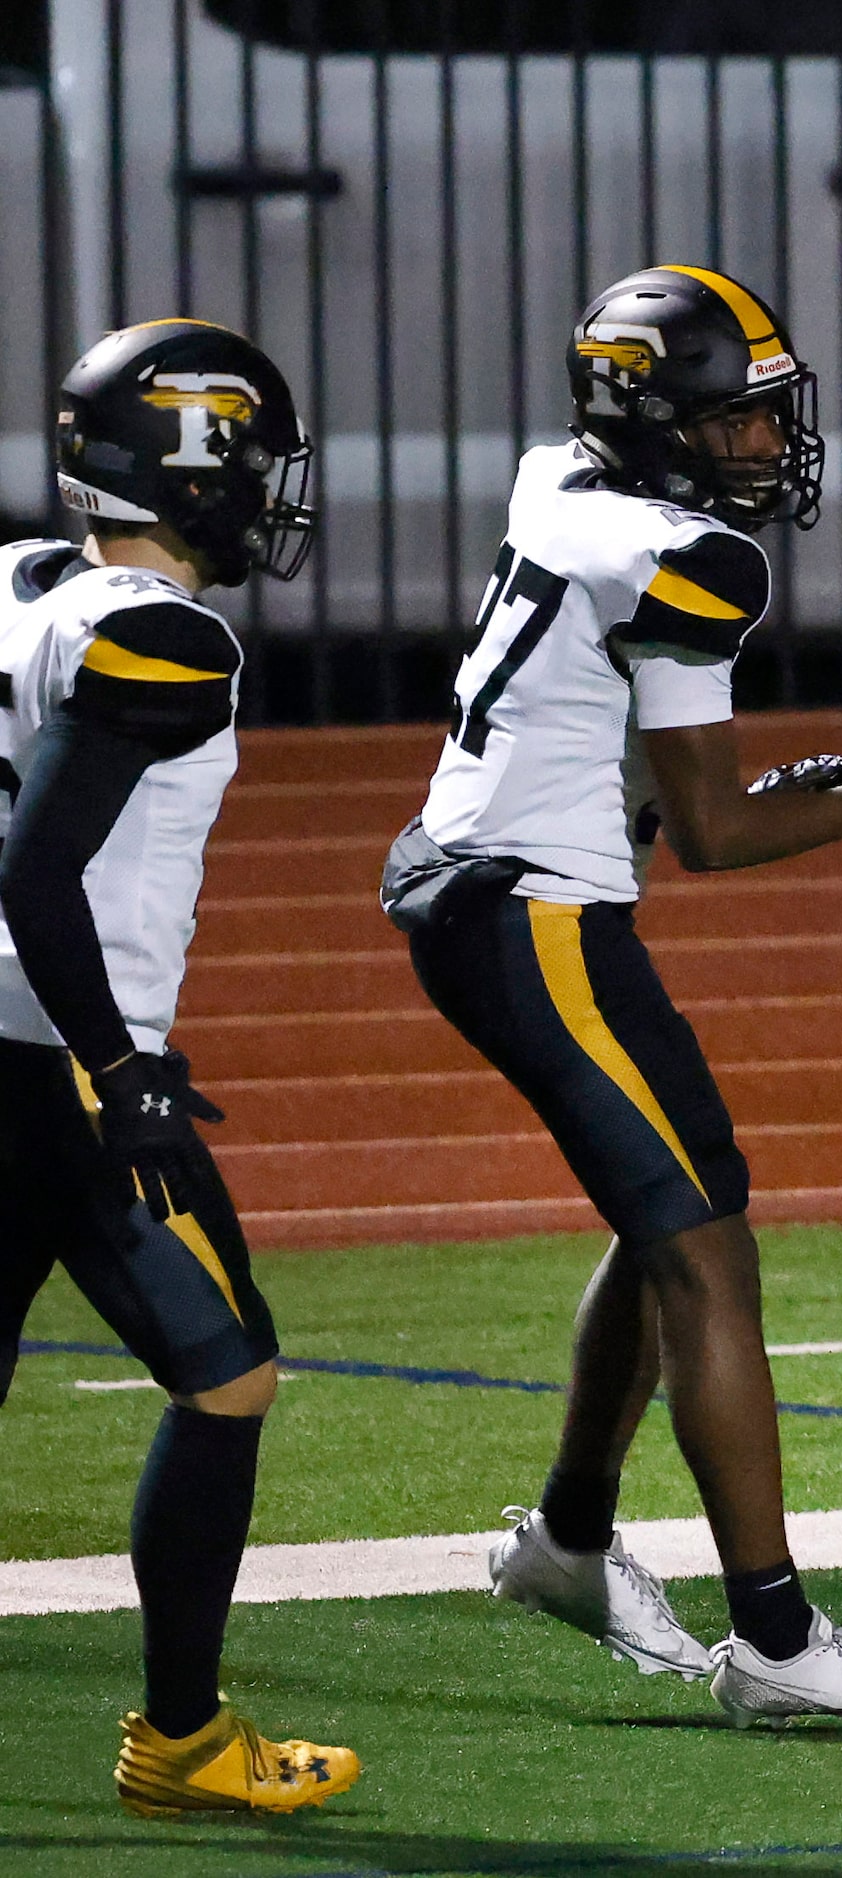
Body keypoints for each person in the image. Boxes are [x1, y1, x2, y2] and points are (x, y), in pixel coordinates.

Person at [399, 265, 842, 1726]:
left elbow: (638, 759)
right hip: (527, 912)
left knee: (676, 1211)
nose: (767, 446)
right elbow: (713, 835)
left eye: (771, 416)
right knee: (706, 1248)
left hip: (489, 879)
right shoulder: (690, 559)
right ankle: (774, 1639)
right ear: (656, 421)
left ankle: (571, 1541)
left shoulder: (560, 482)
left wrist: (752, 793)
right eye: (735, 421)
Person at [0, 318, 359, 1812]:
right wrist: (119, 1065)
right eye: (254, 458)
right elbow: (41, 872)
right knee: (228, 1373)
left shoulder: (24, 582)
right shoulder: (167, 633)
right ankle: (182, 1735)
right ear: (197, 469)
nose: (271, 488)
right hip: (60, 1063)